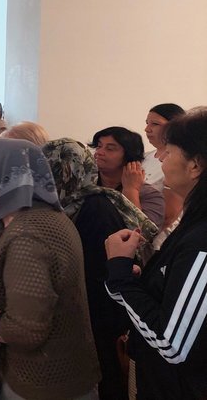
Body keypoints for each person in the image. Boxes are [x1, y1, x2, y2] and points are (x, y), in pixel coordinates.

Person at [0, 137, 101, 400]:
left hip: (44, 381)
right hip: (65, 372)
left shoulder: (27, 235)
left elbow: (26, 331)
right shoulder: (48, 216)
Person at [42, 138, 158, 400]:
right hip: (85, 317)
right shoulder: (70, 204)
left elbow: (101, 274)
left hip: (99, 322)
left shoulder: (95, 207)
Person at [105, 109, 207, 399]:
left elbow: (171, 344)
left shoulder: (201, 240)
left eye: (169, 151)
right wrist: (139, 282)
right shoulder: (194, 221)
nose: (160, 159)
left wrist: (120, 275)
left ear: (195, 165)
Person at [92, 126, 165, 229]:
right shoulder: (84, 183)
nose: (99, 152)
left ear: (129, 156)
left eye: (110, 149)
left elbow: (141, 234)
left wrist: (131, 190)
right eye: (99, 146)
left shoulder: (150, 196)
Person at [143, 103, 186, 231]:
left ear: (174, 127)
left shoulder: (181, 162)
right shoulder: (143, 157)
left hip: (161, 235)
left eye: (155, 124)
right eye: (147, 123)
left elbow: (168, 216)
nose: (147, 129)